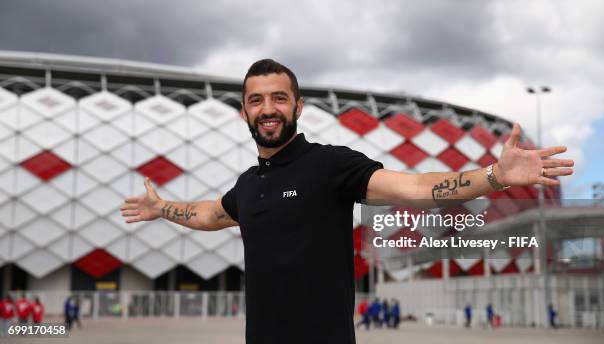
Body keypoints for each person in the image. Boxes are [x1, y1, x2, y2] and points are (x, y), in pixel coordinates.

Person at [120, 59, 574, 344]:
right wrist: (162, 208)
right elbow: (211, 214)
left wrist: (495, 177)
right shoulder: (248, 184)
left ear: (298, 107)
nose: (268, 108)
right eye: (256, 100)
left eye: (279, 98)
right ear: (244, 112)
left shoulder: (330, 165)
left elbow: (415, 188)